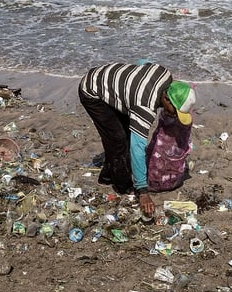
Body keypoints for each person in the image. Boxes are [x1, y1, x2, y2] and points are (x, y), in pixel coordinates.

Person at [78, 62, 196, 217]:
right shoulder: (145, 107)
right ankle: (122, 186)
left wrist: (129, 87)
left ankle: (106, 176)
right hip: (92, 91)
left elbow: (142, 62)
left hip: (110, 79)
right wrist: (143, 191)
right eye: (175, 111)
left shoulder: (164, 74)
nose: (174, 116)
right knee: (118, 140)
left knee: (126, 132)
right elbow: (137, 147)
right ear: (166, 99)